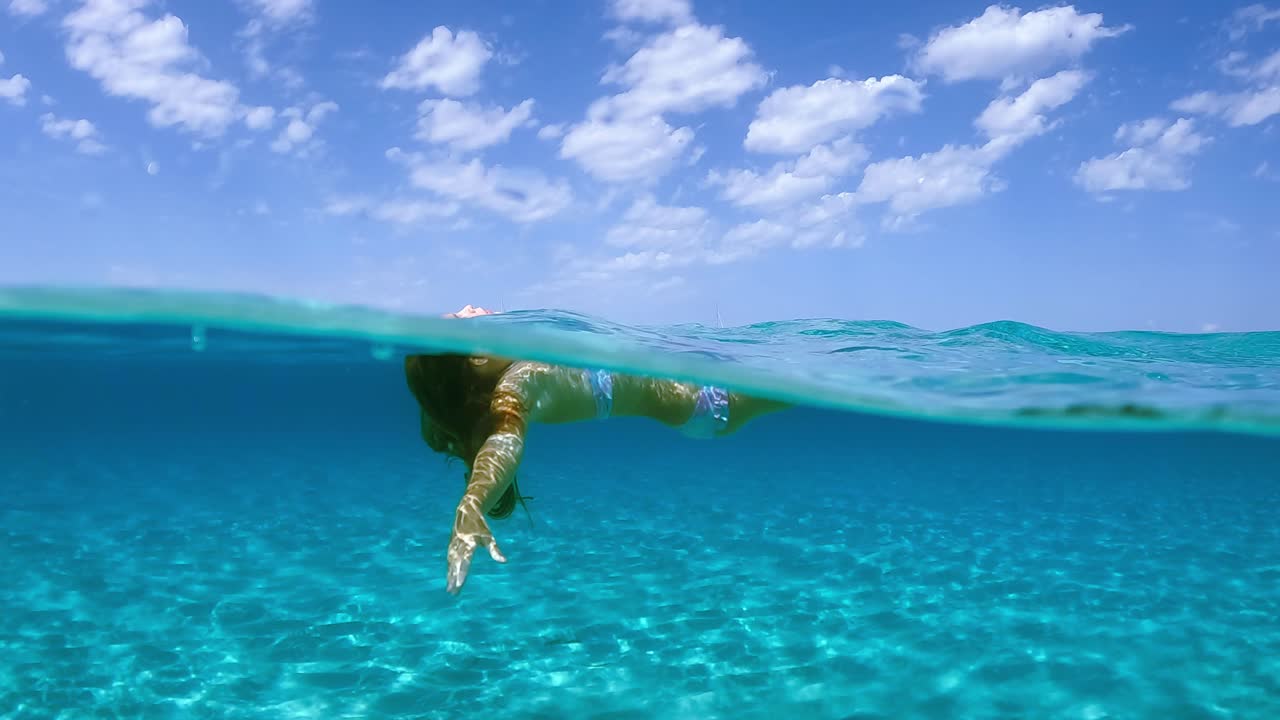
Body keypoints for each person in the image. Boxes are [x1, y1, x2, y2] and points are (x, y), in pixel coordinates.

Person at [404, 350, 788, 594]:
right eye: (462, 315)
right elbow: (505, 440)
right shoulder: (519, 382)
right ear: (476, 357)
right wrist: (472, 503)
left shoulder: (522, 365)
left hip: (703, 392)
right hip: (711, 400)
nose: (471, 307)